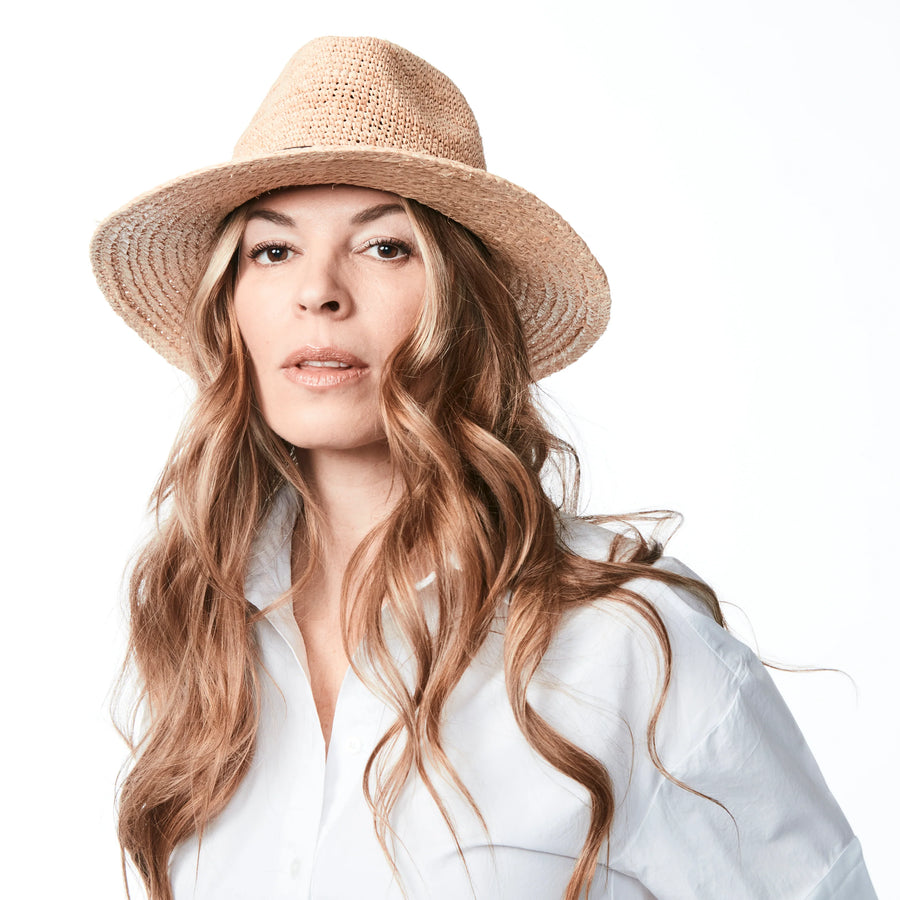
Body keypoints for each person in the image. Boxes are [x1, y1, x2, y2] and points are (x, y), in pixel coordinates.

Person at [90, 36, 875, 900]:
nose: (319, 291)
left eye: (386, 247)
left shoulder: (624, 644)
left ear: (460, 302)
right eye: (272, 252)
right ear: (231, 303)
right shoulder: (201, 627)